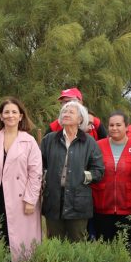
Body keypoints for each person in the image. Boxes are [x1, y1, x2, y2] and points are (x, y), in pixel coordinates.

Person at [0, 97, 42, 262]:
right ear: (0, 116)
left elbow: (35, 173)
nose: (10, 115)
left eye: (14, 112)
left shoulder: (29, 141)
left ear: (21, 116)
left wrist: (31, 199)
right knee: (0, 235)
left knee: (20, 238)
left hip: (20, 198)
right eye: (6, 112)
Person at [40, 100, 104, 241]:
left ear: (80, 119)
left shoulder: (89, 142)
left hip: (78, 201)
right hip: (53, 199)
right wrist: (45, 178)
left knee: (77, 243)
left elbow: (99, 170)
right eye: (64, 111)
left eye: (71, 112)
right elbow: (39, 165)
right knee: (54, 244)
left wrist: (81, 177)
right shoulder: (49, 140)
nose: (66, 114)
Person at [91, 111, 131, 243]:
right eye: (111, 125)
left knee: (129, 248)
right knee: (104, 247)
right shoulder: (98, 145)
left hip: (129, 208)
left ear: (126, 126)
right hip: (103, 206)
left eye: (118, 125)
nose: (114, 128)